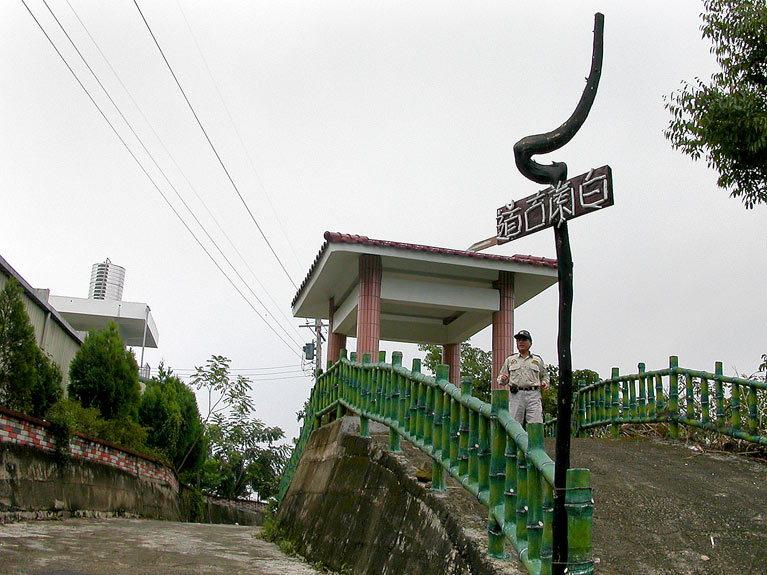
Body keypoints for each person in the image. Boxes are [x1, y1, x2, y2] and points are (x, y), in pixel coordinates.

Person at [496, 330, 549, 424]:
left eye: (524, 340)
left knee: (536, 423)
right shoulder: (510, 359)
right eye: (518, 340)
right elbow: (500, 379)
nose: (521, 342)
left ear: (530, 343)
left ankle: (534, 434)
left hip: (533, 394)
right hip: (516, 395)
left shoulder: (537, 360)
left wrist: (545, 383)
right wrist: (503, 379)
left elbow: (544, 376)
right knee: (514, 424)